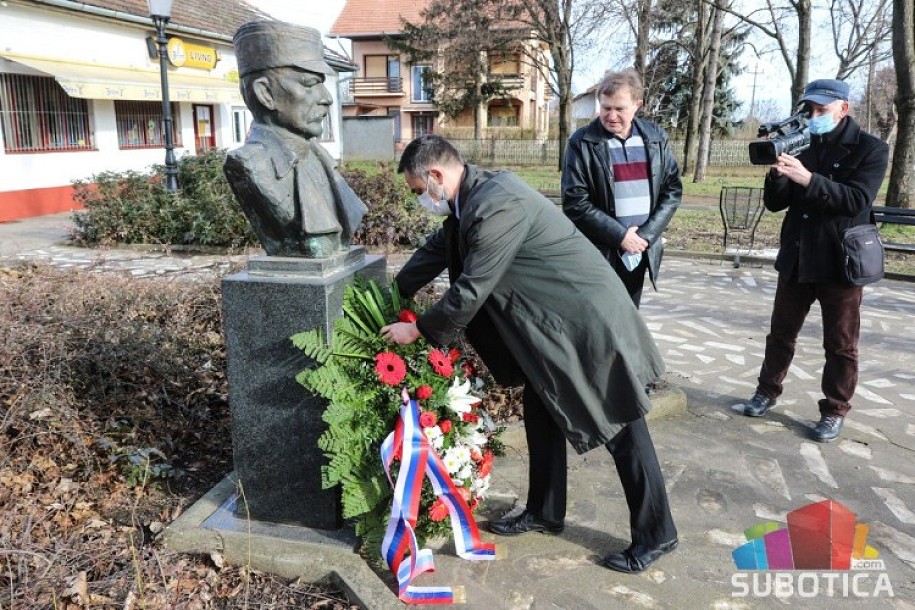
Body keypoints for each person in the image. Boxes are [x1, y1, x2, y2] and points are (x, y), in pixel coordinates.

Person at [380, 135, 678, 573]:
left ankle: (657, 533)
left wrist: (418, 328)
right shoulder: (470, 201)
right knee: (542, 411)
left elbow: (472, 289)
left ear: (437, 175)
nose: (419, 199)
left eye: (418, 190)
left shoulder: (495, 204)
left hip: (585, 322)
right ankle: (544, 510)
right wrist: (388, 295)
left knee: (623, 425)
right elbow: (436, 252)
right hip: (552, 327)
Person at [734, 78, 889, 443]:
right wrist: (777, 175)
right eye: (810, 110)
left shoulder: (870, 149)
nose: (815, 116)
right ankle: (766, 392)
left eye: (822, 110)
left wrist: (807, 178)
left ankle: (834, 410)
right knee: (780, 334)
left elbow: (856, 200)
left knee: (840, 343)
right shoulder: (801, 142)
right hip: (798, 257)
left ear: (843, 109)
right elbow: (776, 204)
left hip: (840, 263)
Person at [224, 20, 366, 258]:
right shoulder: (250, 165)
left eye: (322, 84)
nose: (327, 98)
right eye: (310, 84)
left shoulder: (320, 158)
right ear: (265, 93)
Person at [562, 68, 682, 308]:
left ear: (637, 105)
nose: (611, 115)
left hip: (639, 251)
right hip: (598, 252)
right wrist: (620, 236)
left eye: (620, 109)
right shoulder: (582, 142)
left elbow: (672, 191)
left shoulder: (656, 138)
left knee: (628, 315)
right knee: (597, 317)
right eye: (606, 108)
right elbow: (575, 202)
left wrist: (644, 236)